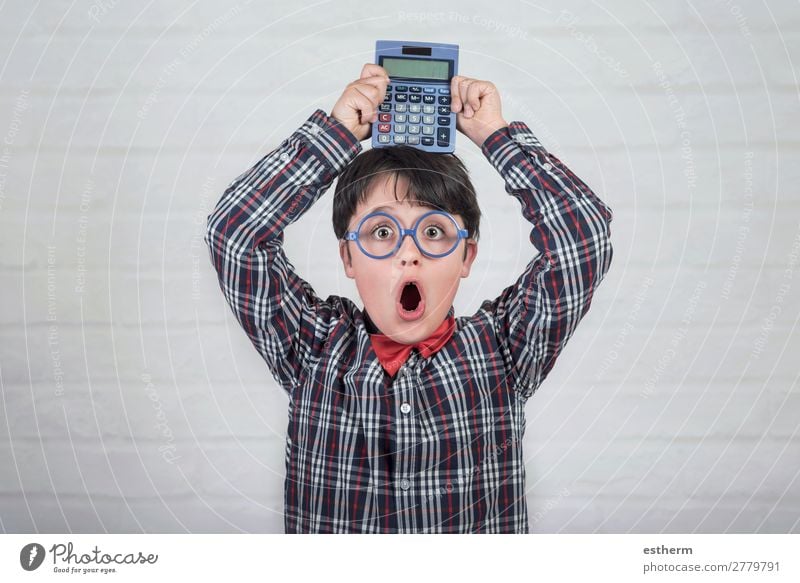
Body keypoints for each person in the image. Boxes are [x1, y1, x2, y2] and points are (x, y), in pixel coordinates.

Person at [205, 64, 613, 533]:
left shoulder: (505, 349)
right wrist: (335, 136)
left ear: (466, 257)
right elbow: (235, 233)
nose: (408, 253)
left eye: (435, 231)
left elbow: (583, 239)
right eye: (382, 231)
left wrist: (496, 137)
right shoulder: (311, 346)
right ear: (349, 259)